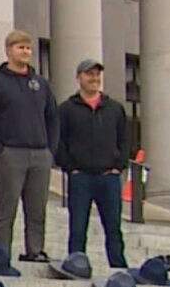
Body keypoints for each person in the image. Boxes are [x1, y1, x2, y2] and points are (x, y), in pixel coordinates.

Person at [0, 30, 60, 262]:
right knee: (7, 208)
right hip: (10, 154)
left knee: (37, 210)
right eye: (19, 47)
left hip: (39, 154)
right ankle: (0, 253)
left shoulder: (41, 84)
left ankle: (35, 250)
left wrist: (50, 150)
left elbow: (53, 117)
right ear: (8, 51)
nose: (25, 52)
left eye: (28, 48)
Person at [56, 58, 136, 268]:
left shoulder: (114, 108)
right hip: (80, 176)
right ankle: (76, 264)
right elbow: (59, 140)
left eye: (97, 74)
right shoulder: (66, 109)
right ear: (78, 78)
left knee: (113, 227)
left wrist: (118, 166)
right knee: (78, 226)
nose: (94, 78)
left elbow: (125, 140)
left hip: (108, 177)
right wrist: (70, 167)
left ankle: (118, 267)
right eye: (89, 74)